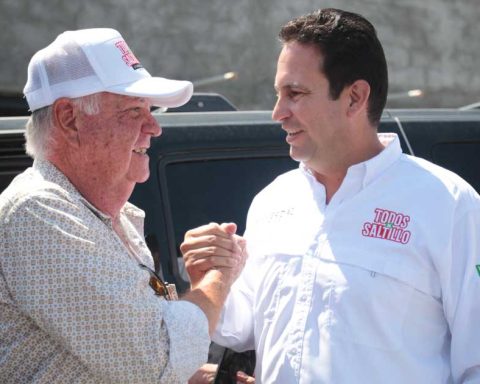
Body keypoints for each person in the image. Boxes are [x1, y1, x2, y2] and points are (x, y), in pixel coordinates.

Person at [181, 8, 480, 384]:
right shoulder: (273, 200)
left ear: (355, 97)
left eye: (295, 94)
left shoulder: (449, 205)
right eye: (278, 94)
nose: (277, 112)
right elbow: (241, 328)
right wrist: (210, 278)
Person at [0, 28, 246, 384]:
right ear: (69, 118)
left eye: (150, 110)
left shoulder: (106, 217)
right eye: (133, 111)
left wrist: (204, 377)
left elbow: (123, 359)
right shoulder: (38, 211)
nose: (154, 127)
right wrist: (217, 278)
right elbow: (157, 357)